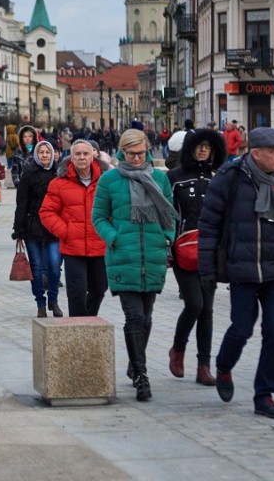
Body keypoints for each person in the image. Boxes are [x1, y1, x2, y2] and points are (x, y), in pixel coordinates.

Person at [199, 127, 274, 420]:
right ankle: (224, 366)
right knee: (242, 328)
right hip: (242, 268)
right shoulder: (229, 179)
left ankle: (264, 395)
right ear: (255, 153)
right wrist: (207, 270)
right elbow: (209, 226)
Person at [93, 130, 175, 402]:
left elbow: (170, 215)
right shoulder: (109, 180)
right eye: (131, 154)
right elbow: (99, 217)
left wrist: (167, 238)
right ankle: (142, 375)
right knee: (135, 317)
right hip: (123, 257)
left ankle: (133, 362)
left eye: (141, 153)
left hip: (151, 255)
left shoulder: (160, 178)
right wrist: (114, 238)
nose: (137, 158)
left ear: (148, 151)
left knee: (147, 318)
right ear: (121, 153)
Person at [166, 128, 227, 387]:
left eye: (208, 147)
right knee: (194, 304)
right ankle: (178, 349)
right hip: (183, 248)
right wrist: (167, 244)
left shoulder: (219, 177)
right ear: (190, 148)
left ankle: (204, 365)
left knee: (208, 310)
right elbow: (166, 213)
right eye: (199, 146)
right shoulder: (175, 177)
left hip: (210, 249)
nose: (203, 150)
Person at [40, 140, 108, 317]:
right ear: (71, 157)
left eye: (86, 154)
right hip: (72, 247)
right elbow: (47, 212)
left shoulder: (106, 181)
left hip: (100, 245)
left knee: (100, 288)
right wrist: (65, 231)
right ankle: (77, 326)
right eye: (77, 154)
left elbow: (117, 209)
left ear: (93, 155)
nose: (82, 158)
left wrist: (110, 231)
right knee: (76, 292)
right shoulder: (59, 183)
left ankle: (89, 320)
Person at [13, 141, 61, 318]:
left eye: (48, 152)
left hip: (54, 227)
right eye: (41, 152)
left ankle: (53, 300)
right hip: (33, 225)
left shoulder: (59, 174)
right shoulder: (29, 175)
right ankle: (40, 303)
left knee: (55, 266)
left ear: (53, 154)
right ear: (36, 155)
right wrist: (18, 230)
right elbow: (21, 203)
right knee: (37, 267)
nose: (45, 155)